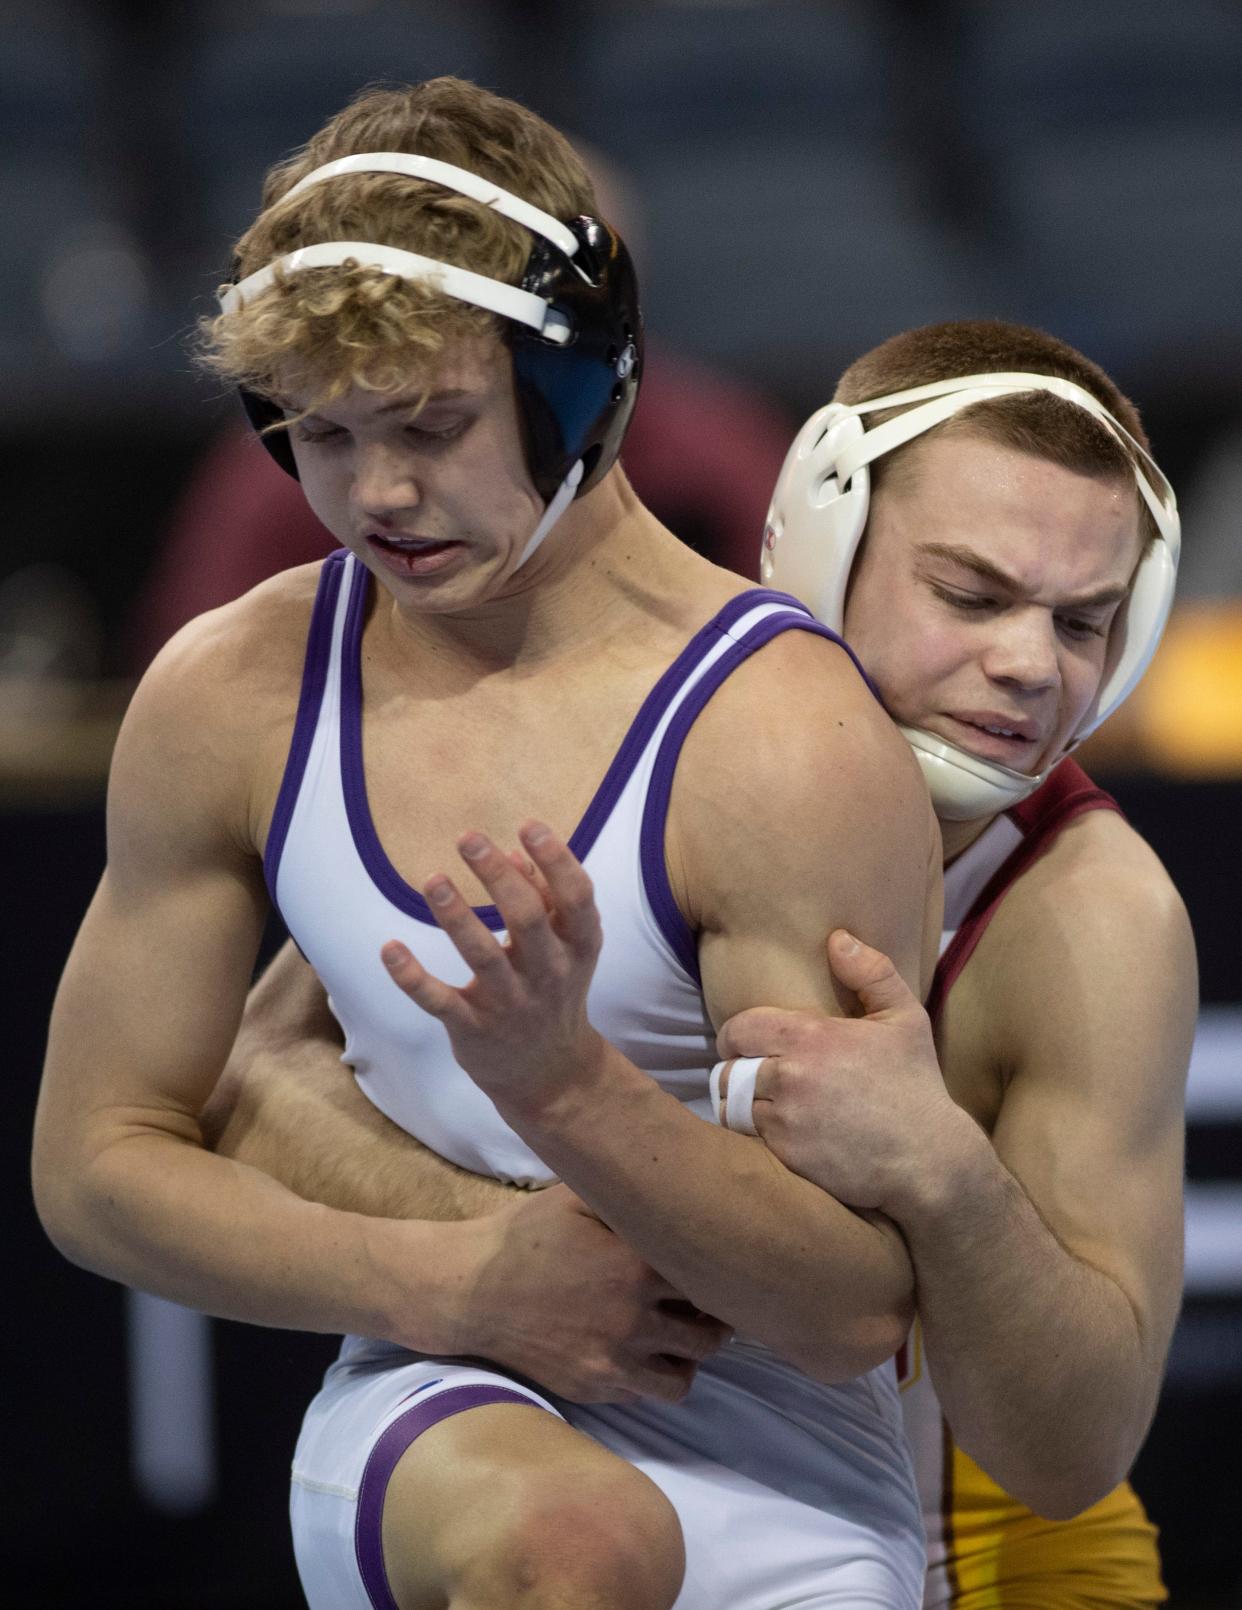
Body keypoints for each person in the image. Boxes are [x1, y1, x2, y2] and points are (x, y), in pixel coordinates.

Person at [32, 78, 940, 1610]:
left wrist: (566, 1089)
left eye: (432, 424)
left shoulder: (780, 736)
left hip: (785, 1447)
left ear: (584, 389)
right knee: (580, 1547)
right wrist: (454, 1281)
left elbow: (848, 1306)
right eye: (320, 433)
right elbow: (93, 1166)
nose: (377, 493)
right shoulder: (232, 690)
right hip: (443, 1404)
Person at [213, 318, 1194, 1609]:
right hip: (647, 1496)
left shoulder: (1088, 910)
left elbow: (1070, 1451)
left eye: (1083, 623)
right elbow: (259, 1080)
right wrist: (512, 1243)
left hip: (988, 1550)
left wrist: (944, 1171)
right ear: (816, 546)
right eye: (969, 595)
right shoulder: (611, 735)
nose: (1026, 664)